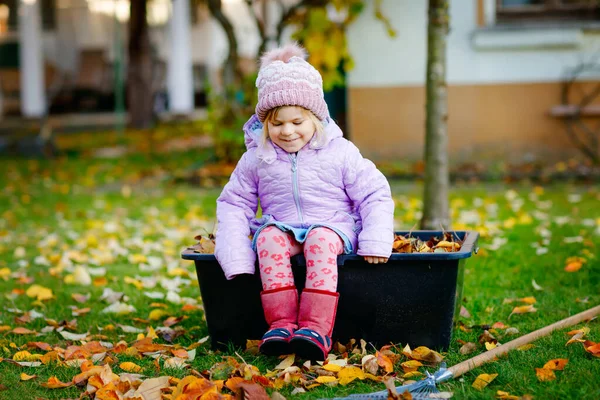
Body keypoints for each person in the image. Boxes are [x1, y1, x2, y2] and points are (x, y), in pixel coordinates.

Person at [215, 43, 394, 361]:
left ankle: (316, 328)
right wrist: (236, 256)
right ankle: (281, 324)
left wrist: (376, 240)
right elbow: (234, 203)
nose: (287, 131)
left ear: (315, 118)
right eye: (277, 123)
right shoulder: (258, 157)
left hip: (332, 227)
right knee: (268, 238)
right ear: (265, 123)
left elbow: (373, 193)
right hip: (281, 226)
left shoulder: (340, 152)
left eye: (297, 122)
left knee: (319, 239)